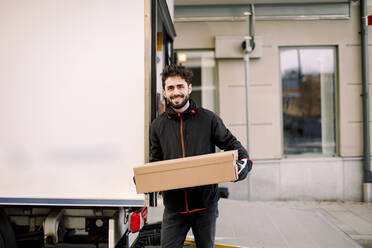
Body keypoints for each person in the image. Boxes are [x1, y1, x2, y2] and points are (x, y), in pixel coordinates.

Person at [150, 64, 253, 248]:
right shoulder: (158, 126)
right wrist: (146, 179)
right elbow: (155, 162)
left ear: (189, 88)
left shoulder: (208, 119)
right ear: (164, 92)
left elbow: (234, 147)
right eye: (170, 88)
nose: (176, 92)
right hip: (174, 208)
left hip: (205, 206)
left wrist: (242, 166)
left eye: (180, 86)